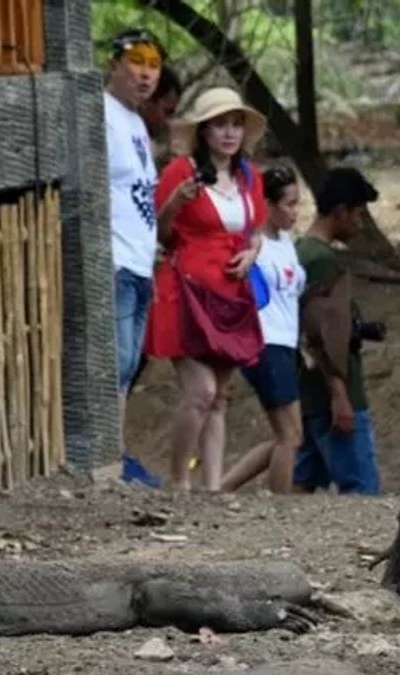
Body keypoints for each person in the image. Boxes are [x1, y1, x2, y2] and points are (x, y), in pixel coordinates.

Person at [144, 86, 269, 492]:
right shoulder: (181, 172)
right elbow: (161, 234)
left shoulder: (249, 177)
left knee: (221, 396)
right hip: (185, 290)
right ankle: (178, 480)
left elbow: (256, 230)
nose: (230, 133)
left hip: (230, 294)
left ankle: (212, 489)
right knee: (201, 391)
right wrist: (177, 202)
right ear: (203, 131)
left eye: (236, 125)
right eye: (220, 125)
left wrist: (252, 253)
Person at [103, 28, 169, 488]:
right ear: (115, 64)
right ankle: (109, 457)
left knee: (130, 365)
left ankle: (118, 452)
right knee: (116, 360)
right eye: (137, 61)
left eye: (154, 64)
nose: (146, 73)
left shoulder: (137, 124)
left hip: (142, 260)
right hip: (114, 258)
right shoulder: (100, 114)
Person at [292, 167, 383, 496]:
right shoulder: (321, 261)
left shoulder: (299, 252)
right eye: (358, 214)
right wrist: (340, 396)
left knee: (301, 483)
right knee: (362, 489)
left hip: (307, 392)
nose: (359, 223)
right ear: (341, 212)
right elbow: (322, 335)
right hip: (333, 393)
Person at [220, 166, 308, 494]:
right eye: (289, 204)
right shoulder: (254, 245)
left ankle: (219, 487)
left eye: (298, 203)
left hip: (286, 342)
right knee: (290, 435)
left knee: (287, 435)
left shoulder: (286, 242)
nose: (295, 212)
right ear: (267, 204)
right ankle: (279, 506)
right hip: (264, 342)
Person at [125, 65, 185, 399]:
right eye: (166, 111)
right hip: (124, 262)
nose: (168, 121)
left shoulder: (144, 145)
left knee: (136, 355)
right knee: (122, 359)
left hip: (143, 260)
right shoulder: (120, 134)